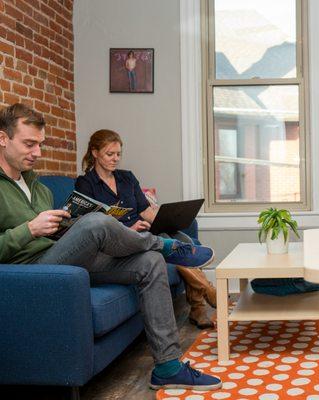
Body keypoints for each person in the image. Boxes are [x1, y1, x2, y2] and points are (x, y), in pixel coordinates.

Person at [0, 103, 221, 391]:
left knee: (150, 263)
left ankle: (167, 366)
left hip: (61, 258)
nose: (38, 153)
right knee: (95, 223)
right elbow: (19, 240)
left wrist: (61, 228)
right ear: (3, 138)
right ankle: (166, 245)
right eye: (29, 144)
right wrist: (29, 229)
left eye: (40, 144)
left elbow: (53, 236)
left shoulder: (38, 187)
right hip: (35, 273)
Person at [75, 129, 217, 329]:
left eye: (118, 154)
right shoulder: (85, 184)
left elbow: (144, 210)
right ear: (95, 153)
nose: (115, 159)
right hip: (118, 239)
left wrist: (166, 218)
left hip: (144, 230)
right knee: (174, 246)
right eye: (110, 154)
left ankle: (197, 309)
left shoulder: (127, 178)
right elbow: (91, 224)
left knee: (185, 240)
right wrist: (129, 227)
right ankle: (209, 292)